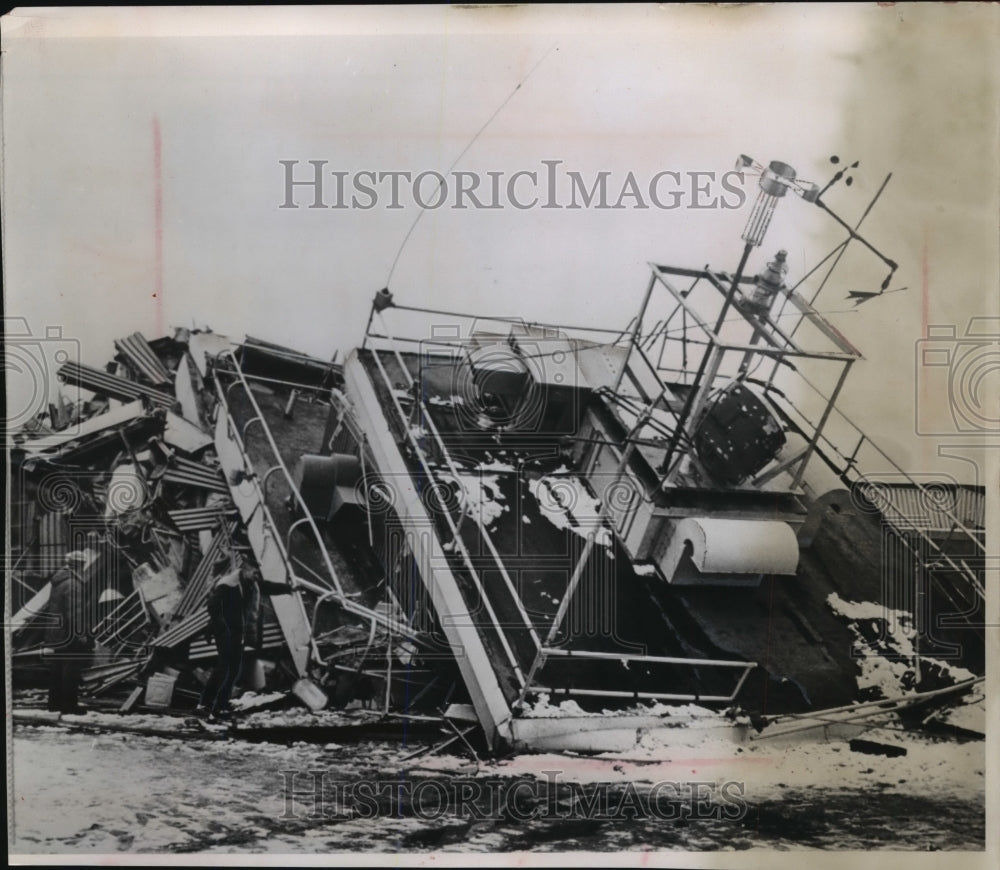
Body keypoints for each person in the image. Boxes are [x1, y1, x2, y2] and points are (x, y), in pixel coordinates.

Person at [44, 551, 93, 714]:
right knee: (71, 669)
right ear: (79, 565)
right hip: (69, 634)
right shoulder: (73, 584)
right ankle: (69, 705)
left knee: (57, 667)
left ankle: (54, 703)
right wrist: (81, 634)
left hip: (56, 633)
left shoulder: (59, 581)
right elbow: (75, 612)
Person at [197, 566, 245, 719]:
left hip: (236, 633)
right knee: (223, 667)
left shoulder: (245, 585)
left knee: (234, 668)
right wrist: (221, 627)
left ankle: (222, 703)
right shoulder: (227, 584)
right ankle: (204, 704)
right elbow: (212, 605)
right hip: (225, 633)